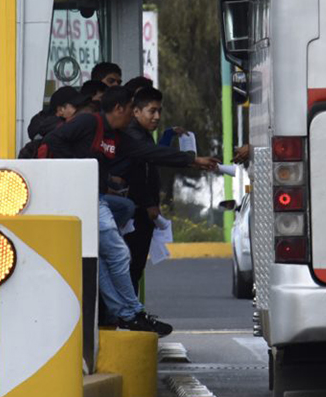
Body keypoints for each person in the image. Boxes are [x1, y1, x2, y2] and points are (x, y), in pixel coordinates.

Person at [44, 86, 218, 334]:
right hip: (73, 196)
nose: (133, 117)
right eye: (130, 111)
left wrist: (193, 160)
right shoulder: (88, 123)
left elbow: (151, 152)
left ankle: (125, 314)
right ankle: (133, 312)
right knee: (119, 253)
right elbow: (53, 140)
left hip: (92, 198)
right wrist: (80, 167)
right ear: (119, 109)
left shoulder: (119, 138)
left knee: (104, 258)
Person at [121, 86, 170, 293]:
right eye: (152, 111)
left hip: (142, 209)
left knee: (136, 264)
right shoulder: (134, 135)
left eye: (159, 111)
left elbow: (157, 155)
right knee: (133, 263)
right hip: (138, 211)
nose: (157, 116)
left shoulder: (143, 134)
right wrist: (149, 203)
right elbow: (137, 175)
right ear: (136, 111)